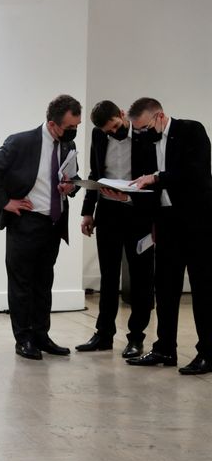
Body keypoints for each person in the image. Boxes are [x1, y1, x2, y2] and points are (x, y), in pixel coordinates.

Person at [0, 94, 81, 360]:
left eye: (77, 127)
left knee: (43, 282)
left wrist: (71, 186)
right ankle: (23, 339)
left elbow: (73, 177)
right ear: (51, 124)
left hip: (53, 223)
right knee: (22, 283)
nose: (74, 132)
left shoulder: (68, 146)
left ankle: (41, 335)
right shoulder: (21, 142)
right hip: (26, 222)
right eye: (69, 127)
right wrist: (4, 202)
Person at [124, 98, 212, 375]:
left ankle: (207, 353)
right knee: (164, 287)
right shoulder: (145, 143)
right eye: (137, 131)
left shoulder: (192, 131)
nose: (141, 134)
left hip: (198, 222)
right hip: (166, 222)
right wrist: (126, 194)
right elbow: (146, 184)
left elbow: (196, 173)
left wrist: (157, 177)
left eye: (145, 128)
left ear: (159, 116)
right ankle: (164, 348)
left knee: (202, 290)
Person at [76, 100, 156, 358]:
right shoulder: (99, 135)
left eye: (114, 126)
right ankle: (104, 334)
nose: (111, 132)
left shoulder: (146, 137)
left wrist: (130, 198)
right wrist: (88, 211)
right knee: (108, 277)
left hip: (138, 214)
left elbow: (155, 179)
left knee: (140, 277)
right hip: (108, 212)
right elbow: (96, 172)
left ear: (122, 115)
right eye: (107, 130)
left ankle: (136, 338)